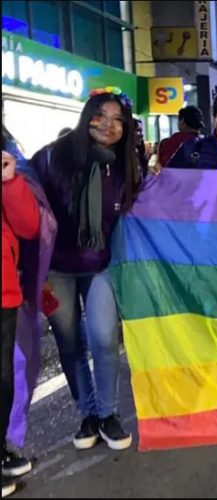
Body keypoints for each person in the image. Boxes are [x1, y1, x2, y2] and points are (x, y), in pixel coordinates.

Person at [31, 87, 142, 451]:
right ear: (86, 117)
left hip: (100, 267)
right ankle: (88, 414)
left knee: (104, 339)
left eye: (118, 120)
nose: (109, 125)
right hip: (55, 271)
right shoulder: (51, 158)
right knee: (69, 343)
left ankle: (108, 414)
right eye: (101, 115)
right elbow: (27, 206)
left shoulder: (125, 167)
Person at [2, 138, 40, 498]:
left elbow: (28, 226)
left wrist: (10, 181)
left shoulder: (9, 166)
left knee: (4, 379)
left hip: (4, 291)